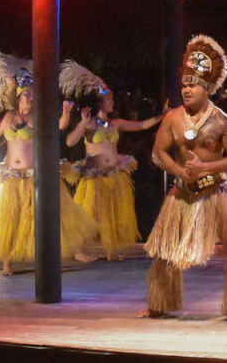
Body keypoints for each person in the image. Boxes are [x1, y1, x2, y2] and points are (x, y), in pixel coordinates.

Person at [143, 34, 227, 318]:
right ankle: (159, 304)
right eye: (184, 84)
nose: (186, 89)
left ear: (207, 88)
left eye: (192, 85)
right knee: (166, 245)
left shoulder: (222, 120)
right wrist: (180, 171)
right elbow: (158, 152)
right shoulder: (173, 117)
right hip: (183, 188)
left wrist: (206, 168)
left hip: (217, 189)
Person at [0, 52, 98, 275]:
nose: (29, 97)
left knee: (46, 216)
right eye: (25, 94)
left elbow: (59, 126)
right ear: (18, 97)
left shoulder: (38, 117)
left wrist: (66, 112)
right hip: (12, 176)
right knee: (11, 218)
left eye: (31, 94)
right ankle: (7, 262)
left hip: (33, 174)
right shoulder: (9, 117)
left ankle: (64, 253)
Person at [60, 60, 163, 261]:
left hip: (115, 172)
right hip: (94, 175)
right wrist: (82, 124)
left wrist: (163, 115)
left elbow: (142, 125)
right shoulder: (89, 123)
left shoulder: (115, 123)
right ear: (100, 101)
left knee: (113, 213)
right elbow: (71, 142)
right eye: (110, 99)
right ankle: (80, 250)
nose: (113, 101)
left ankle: (111, 250)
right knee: (90, 213)